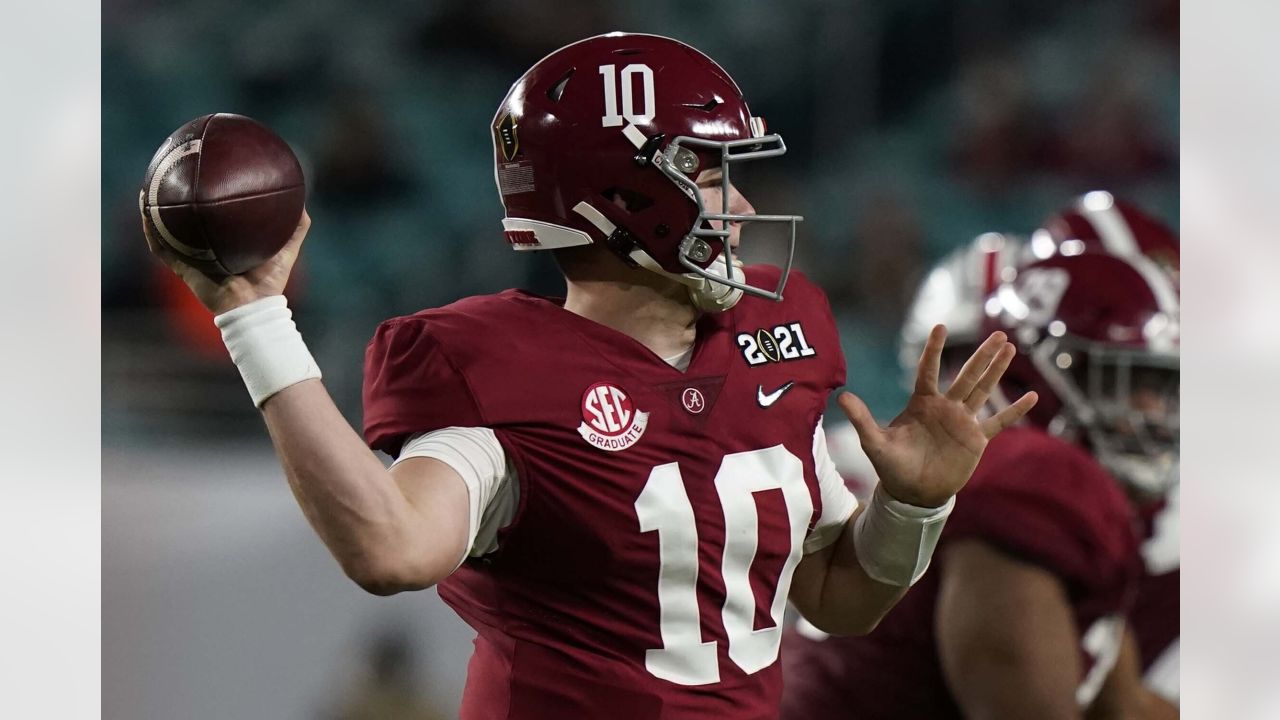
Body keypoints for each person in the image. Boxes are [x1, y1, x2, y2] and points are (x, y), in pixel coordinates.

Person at [143, 33, 1034, 720]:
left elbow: (838, 598)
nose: (744, 206)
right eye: (713, 174)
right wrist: (255, 317)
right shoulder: (499, 368)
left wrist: (912, 508)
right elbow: (391, 549)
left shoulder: (782, 331)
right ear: (622, 197)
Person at [782, 198, 1180, 720]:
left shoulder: (1066, 491)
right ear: (1050, 372)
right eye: (1132, 385)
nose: (1155, 413)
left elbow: (1120, 701)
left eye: (1163, 388)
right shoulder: (1035, 480)